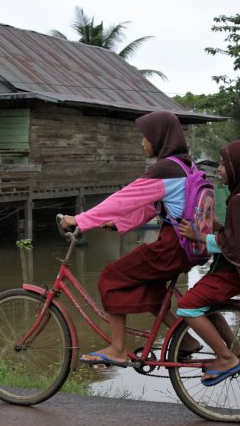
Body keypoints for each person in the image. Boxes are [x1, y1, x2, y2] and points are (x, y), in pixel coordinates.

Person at [60, 110, 202, 367]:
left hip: (172, 245)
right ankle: (187, 340)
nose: (142, 143)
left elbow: (125, 197)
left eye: (145, 137)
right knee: (149, 288)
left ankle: (117, 348)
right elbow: (152, 206)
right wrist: (121, 223)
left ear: (158, 138)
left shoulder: (165, 169)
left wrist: (80, 219)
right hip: (187, 246)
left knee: (110, 277)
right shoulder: (186, 165)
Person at [176, 140, 240, 385]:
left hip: (231, 272)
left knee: (187, 306)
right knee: (204, 303)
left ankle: (225, 357)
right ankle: (235, 346)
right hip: (238, 270)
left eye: (225, 164)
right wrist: (220, 227)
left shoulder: (239, 201)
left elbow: (236, 246)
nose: (219, 169)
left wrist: (200, 236)